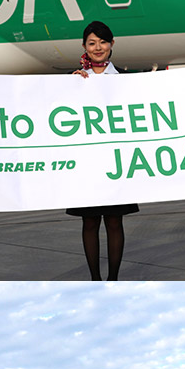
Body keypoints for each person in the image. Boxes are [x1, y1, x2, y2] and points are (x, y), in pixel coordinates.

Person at [65, 21, 139, 281]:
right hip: (86, 164)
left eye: (103, 42)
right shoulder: (72, 81)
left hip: (117, 162)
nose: (98, 48)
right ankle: (95, 278)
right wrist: (70, 89)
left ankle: (113, 278)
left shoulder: (128, 79)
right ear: (84, 46)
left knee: (115, 221)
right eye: (92, 43)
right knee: (90, 221)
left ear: (112, 44)